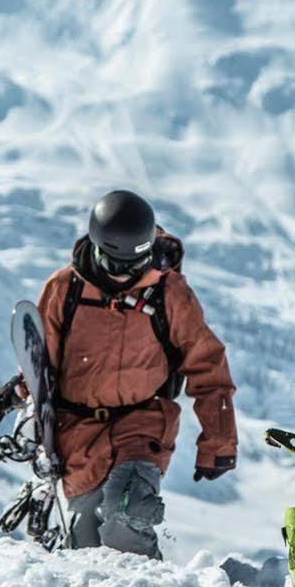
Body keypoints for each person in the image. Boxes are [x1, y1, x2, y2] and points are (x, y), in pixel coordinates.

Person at [26, 190, 237, 556]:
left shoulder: (167, 291)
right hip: (78, 430)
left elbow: (207, 363)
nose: (126, 276)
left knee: (128, 517)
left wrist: (218, 442)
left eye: (135, 266)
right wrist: (25, 400)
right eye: (116, 266)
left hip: (143, 421)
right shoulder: (66, 288)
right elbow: (42, 365)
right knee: (87, 543)